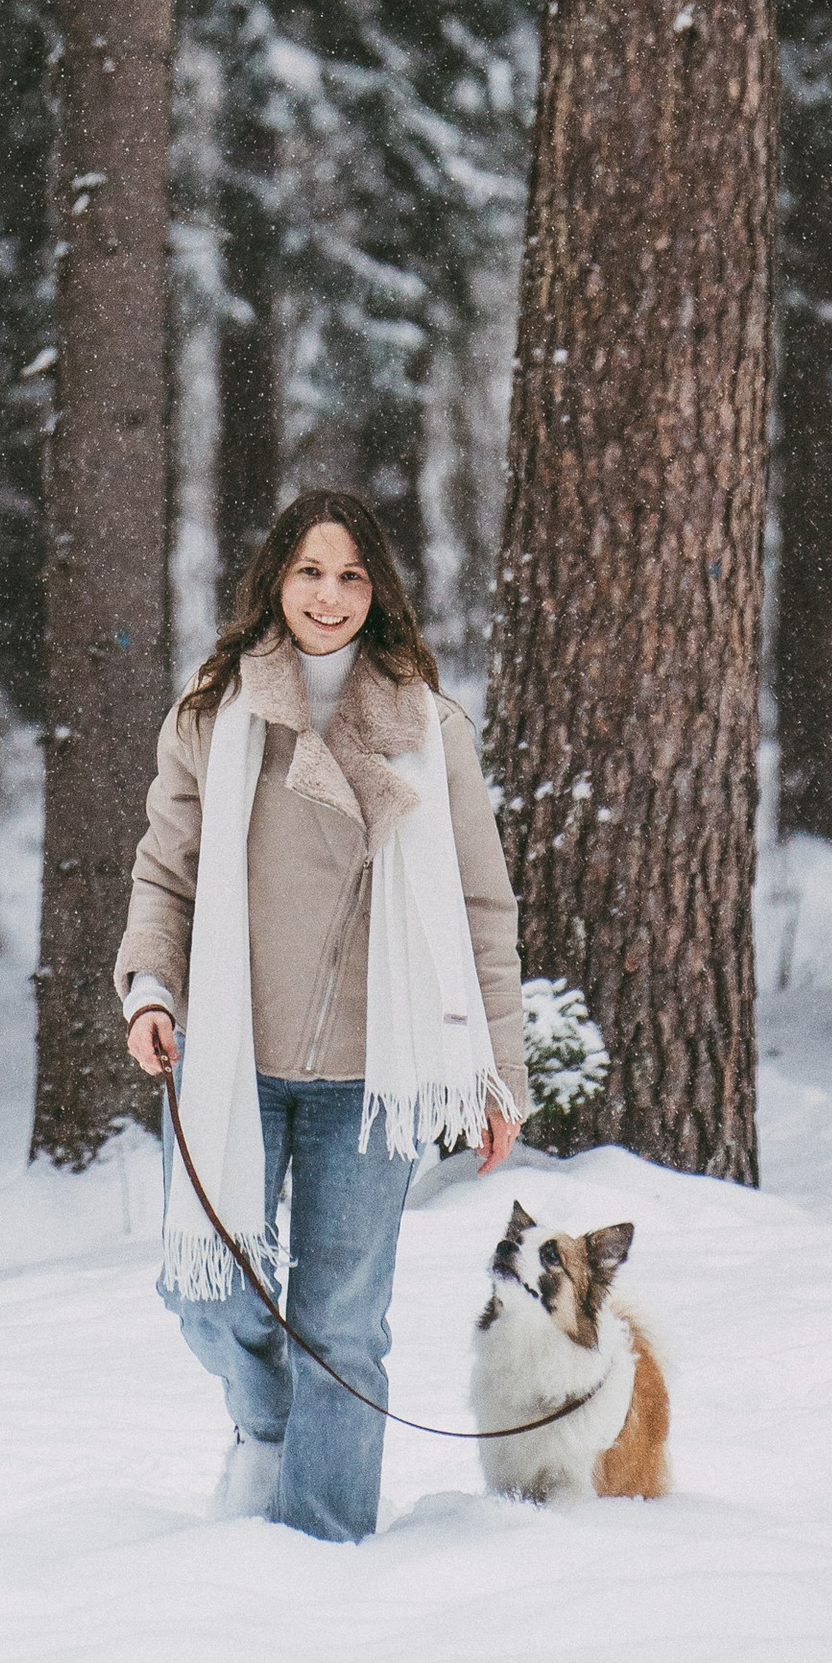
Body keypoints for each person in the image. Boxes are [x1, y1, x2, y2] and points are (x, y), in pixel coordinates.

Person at [118, 487, 528, 1543]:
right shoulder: (214, 721)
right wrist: (150, 990)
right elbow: (166, 875)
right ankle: (269, 1433)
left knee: (342, 1326)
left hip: (369, 1078)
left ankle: (324, 1550)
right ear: (276, 582)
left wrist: (498, 1075)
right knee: (206, 1295)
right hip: (229, 1059)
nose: (330, 595)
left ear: (377, 590)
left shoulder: (431, 734)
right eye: (310, 572)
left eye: (350, 575)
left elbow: (482, 909)